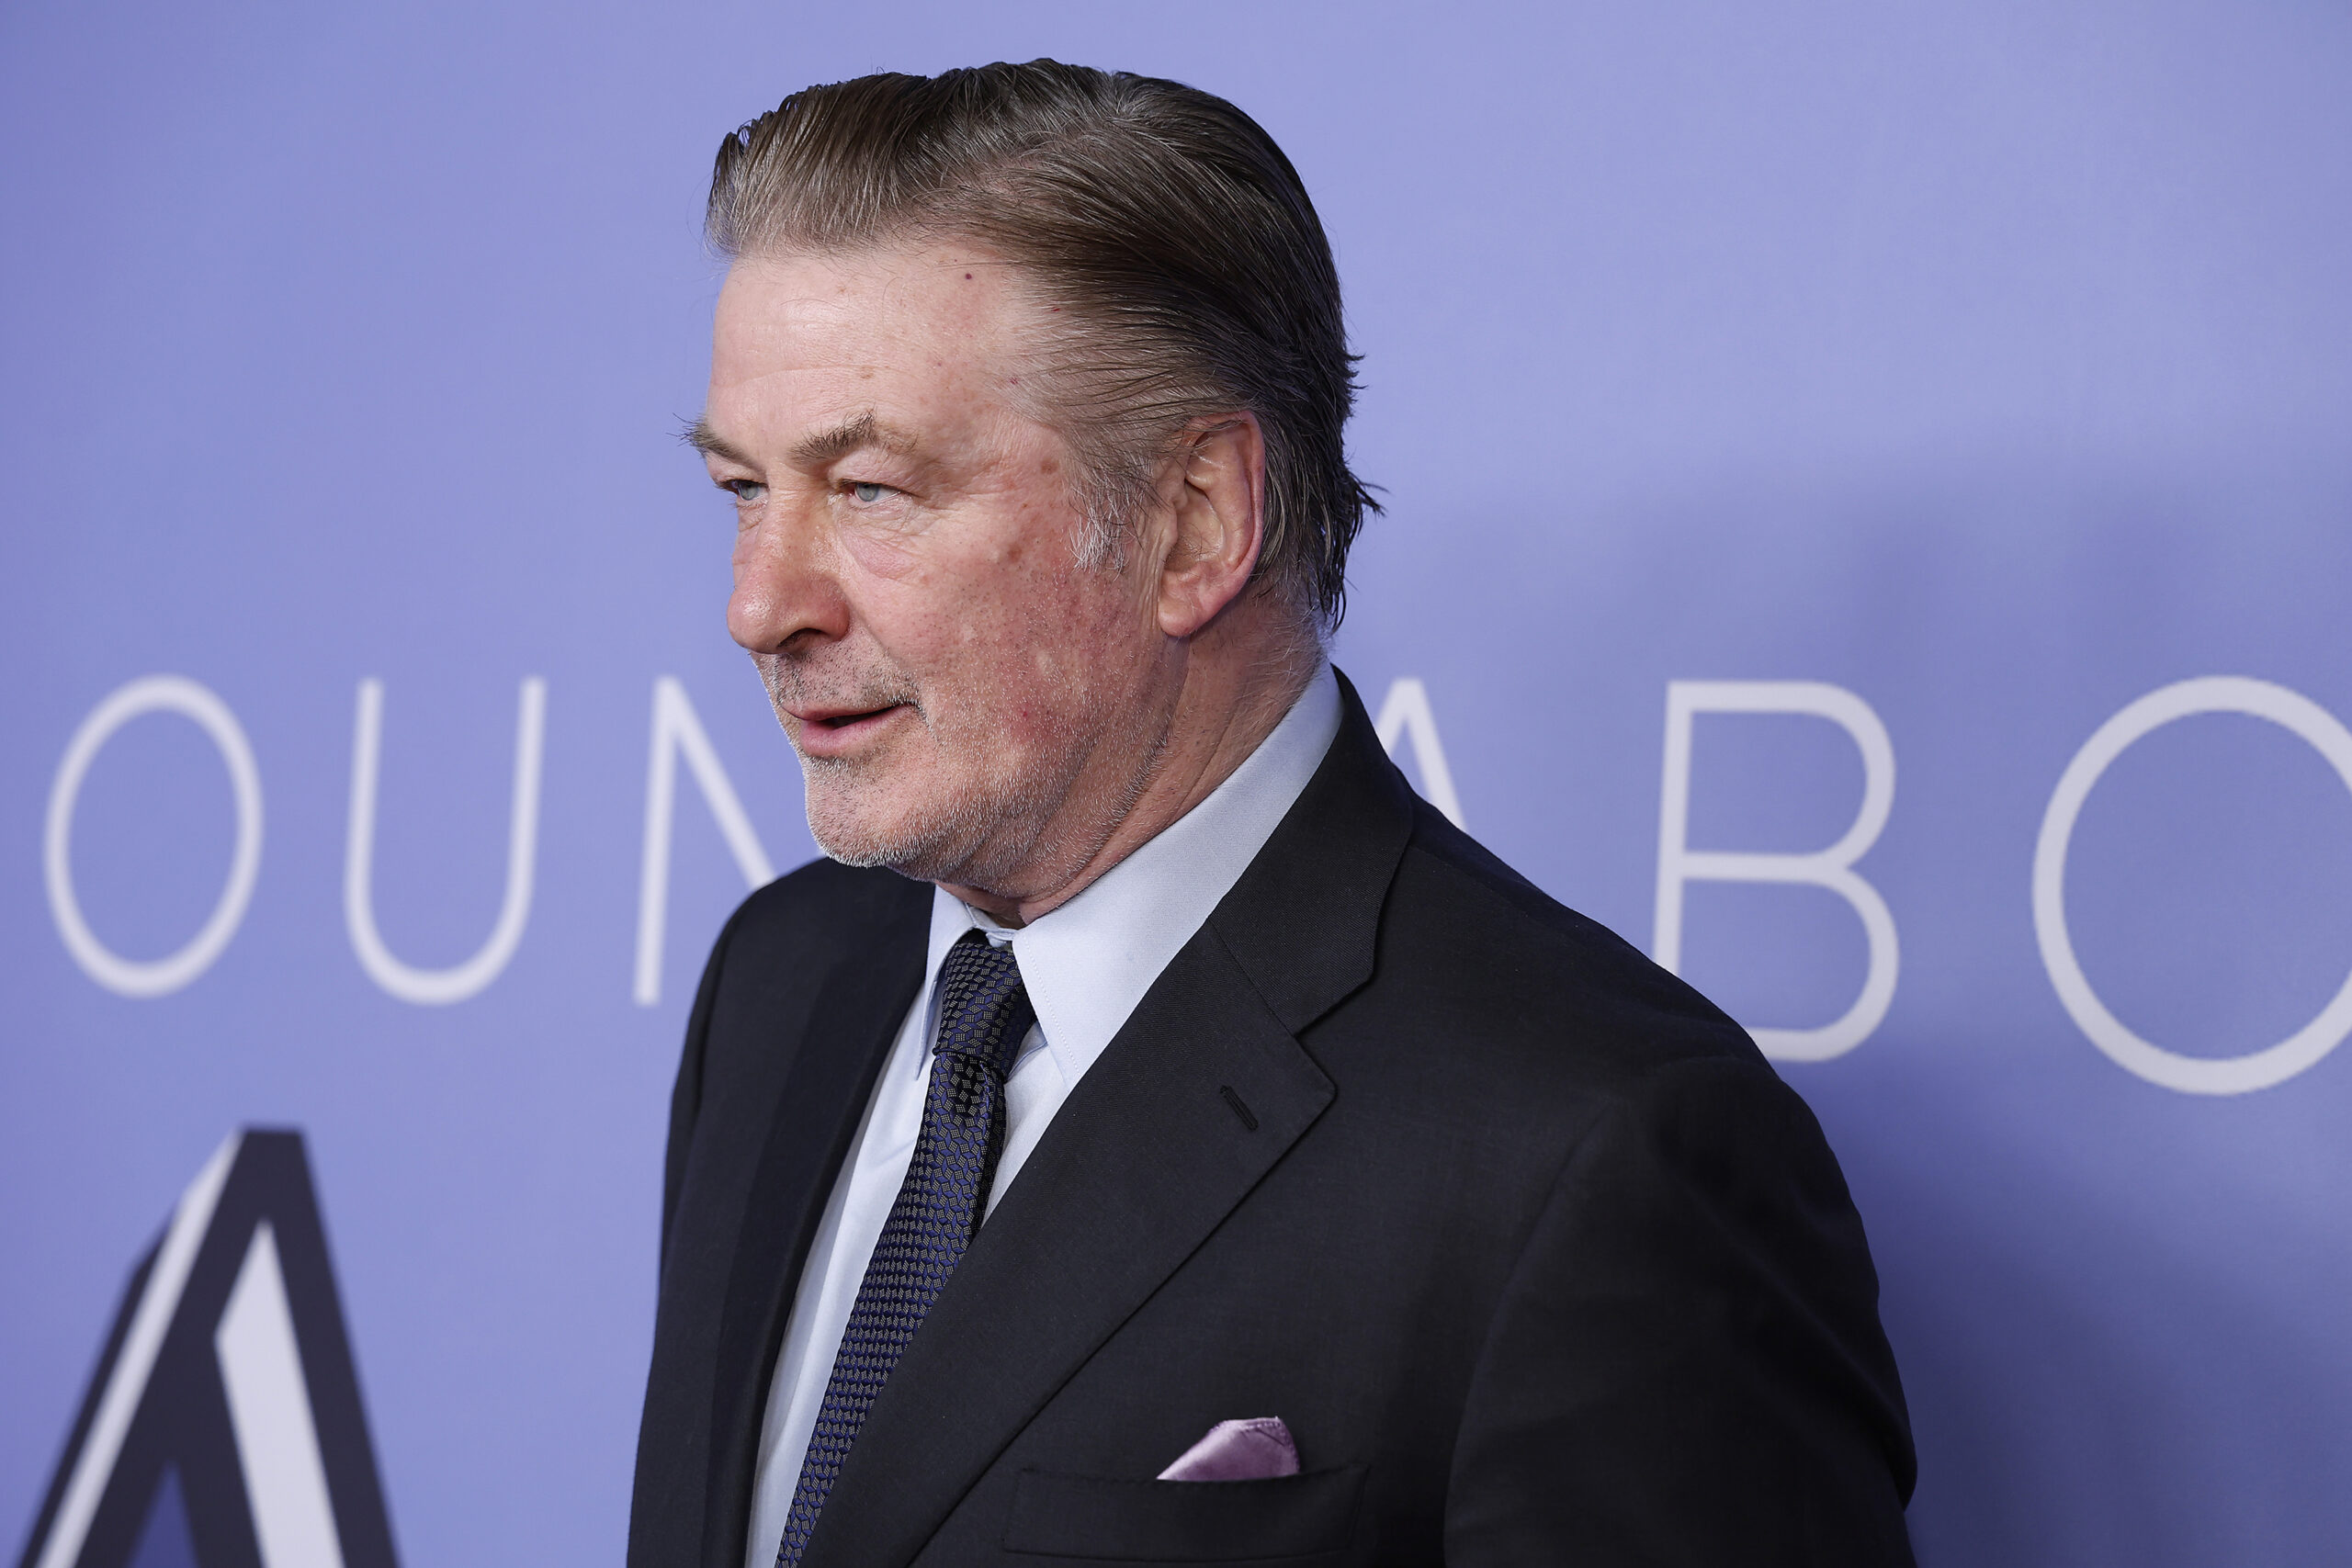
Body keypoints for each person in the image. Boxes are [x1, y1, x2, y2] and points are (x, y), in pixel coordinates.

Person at [628, 60, 1916, 1568]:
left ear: (1194, 526)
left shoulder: (1592, 1154)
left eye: (871, 490)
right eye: (739, 488)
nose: (758, 604)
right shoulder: (784, 982)